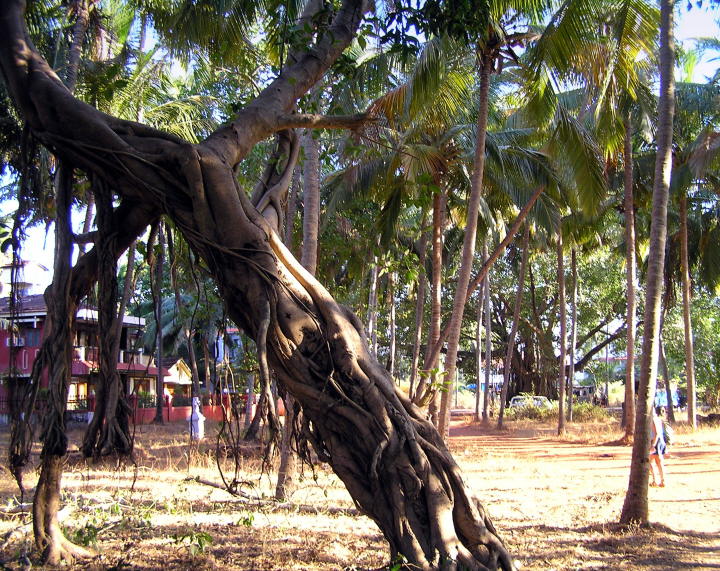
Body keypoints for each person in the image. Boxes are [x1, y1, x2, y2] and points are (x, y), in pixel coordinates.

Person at [649, 406, 667, 487]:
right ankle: (662, 480)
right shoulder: (657, 419)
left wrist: (653, 445)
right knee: (658, 462)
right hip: (658, 441)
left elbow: (657, 433)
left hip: (655, 442)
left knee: (651, 462)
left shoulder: (653, 420)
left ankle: (655, 480)